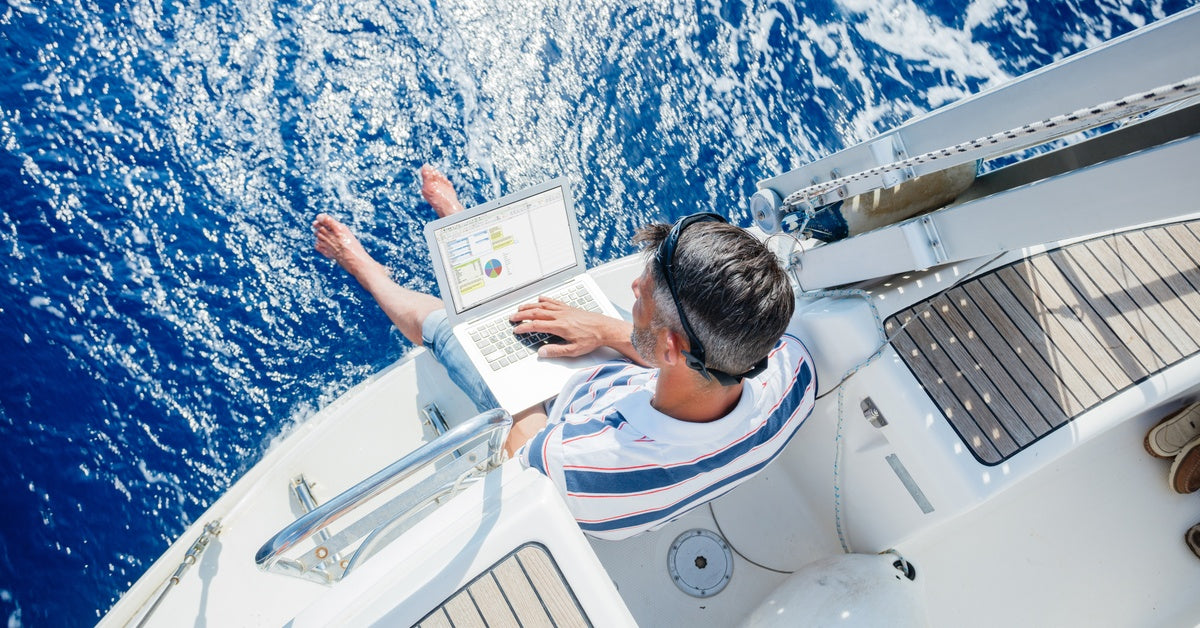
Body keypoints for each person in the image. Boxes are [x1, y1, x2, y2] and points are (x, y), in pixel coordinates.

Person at [313, 165, 817, 540]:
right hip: (639, 379)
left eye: (644, 292)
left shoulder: (586, 467)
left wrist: (513, 376)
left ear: (669, 348)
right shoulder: (793, 375)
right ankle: (464, 236)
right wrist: (601, 328)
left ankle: (364, 265)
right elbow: (695, 364)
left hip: (561, 415)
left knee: (447, 327)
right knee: (557, 309)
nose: (635, 285)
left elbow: (522, 445)